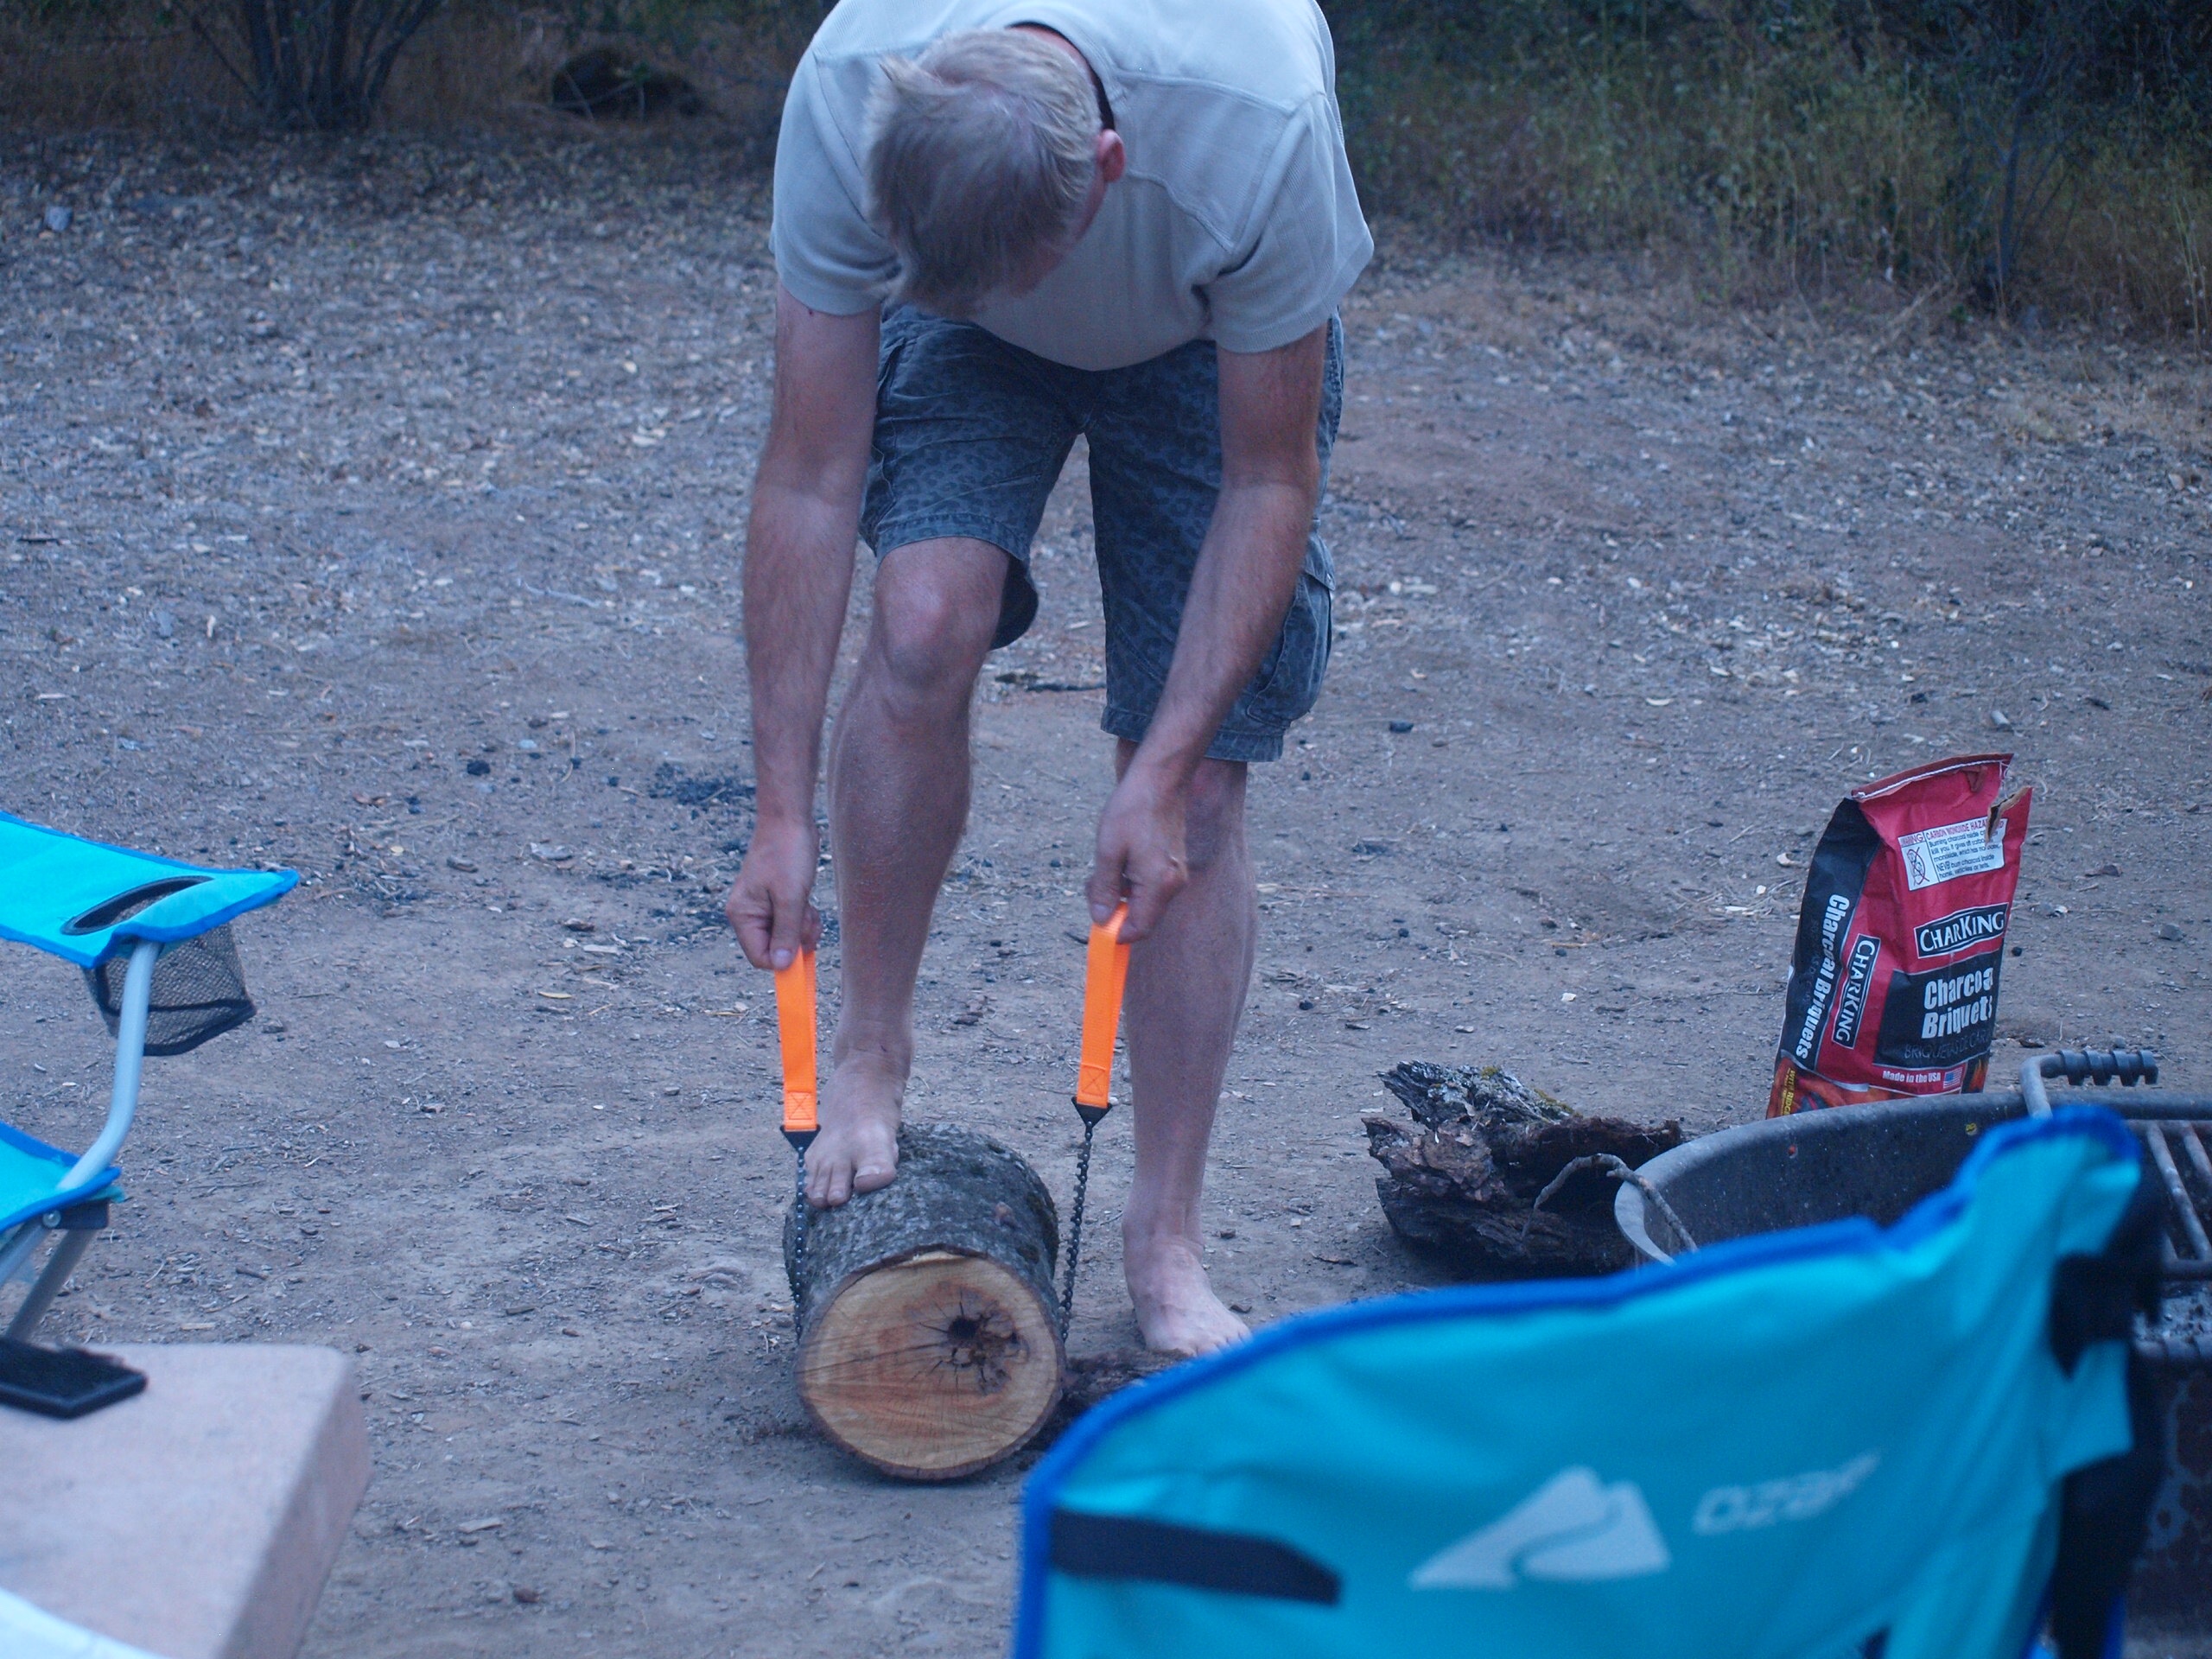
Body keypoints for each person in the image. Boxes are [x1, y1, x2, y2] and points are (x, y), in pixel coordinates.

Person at [725, 0, 1370, 1357]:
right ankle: (872, 1056)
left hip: (1201, 337)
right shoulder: (851, 89)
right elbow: (809, 475)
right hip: (961, 281)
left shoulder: (1259, 124)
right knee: (921, 621)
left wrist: (1163, 768)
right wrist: (780, 811)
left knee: (1196, 802)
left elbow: (1268, 480)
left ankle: (1164, 1241)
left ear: (1111, 175)